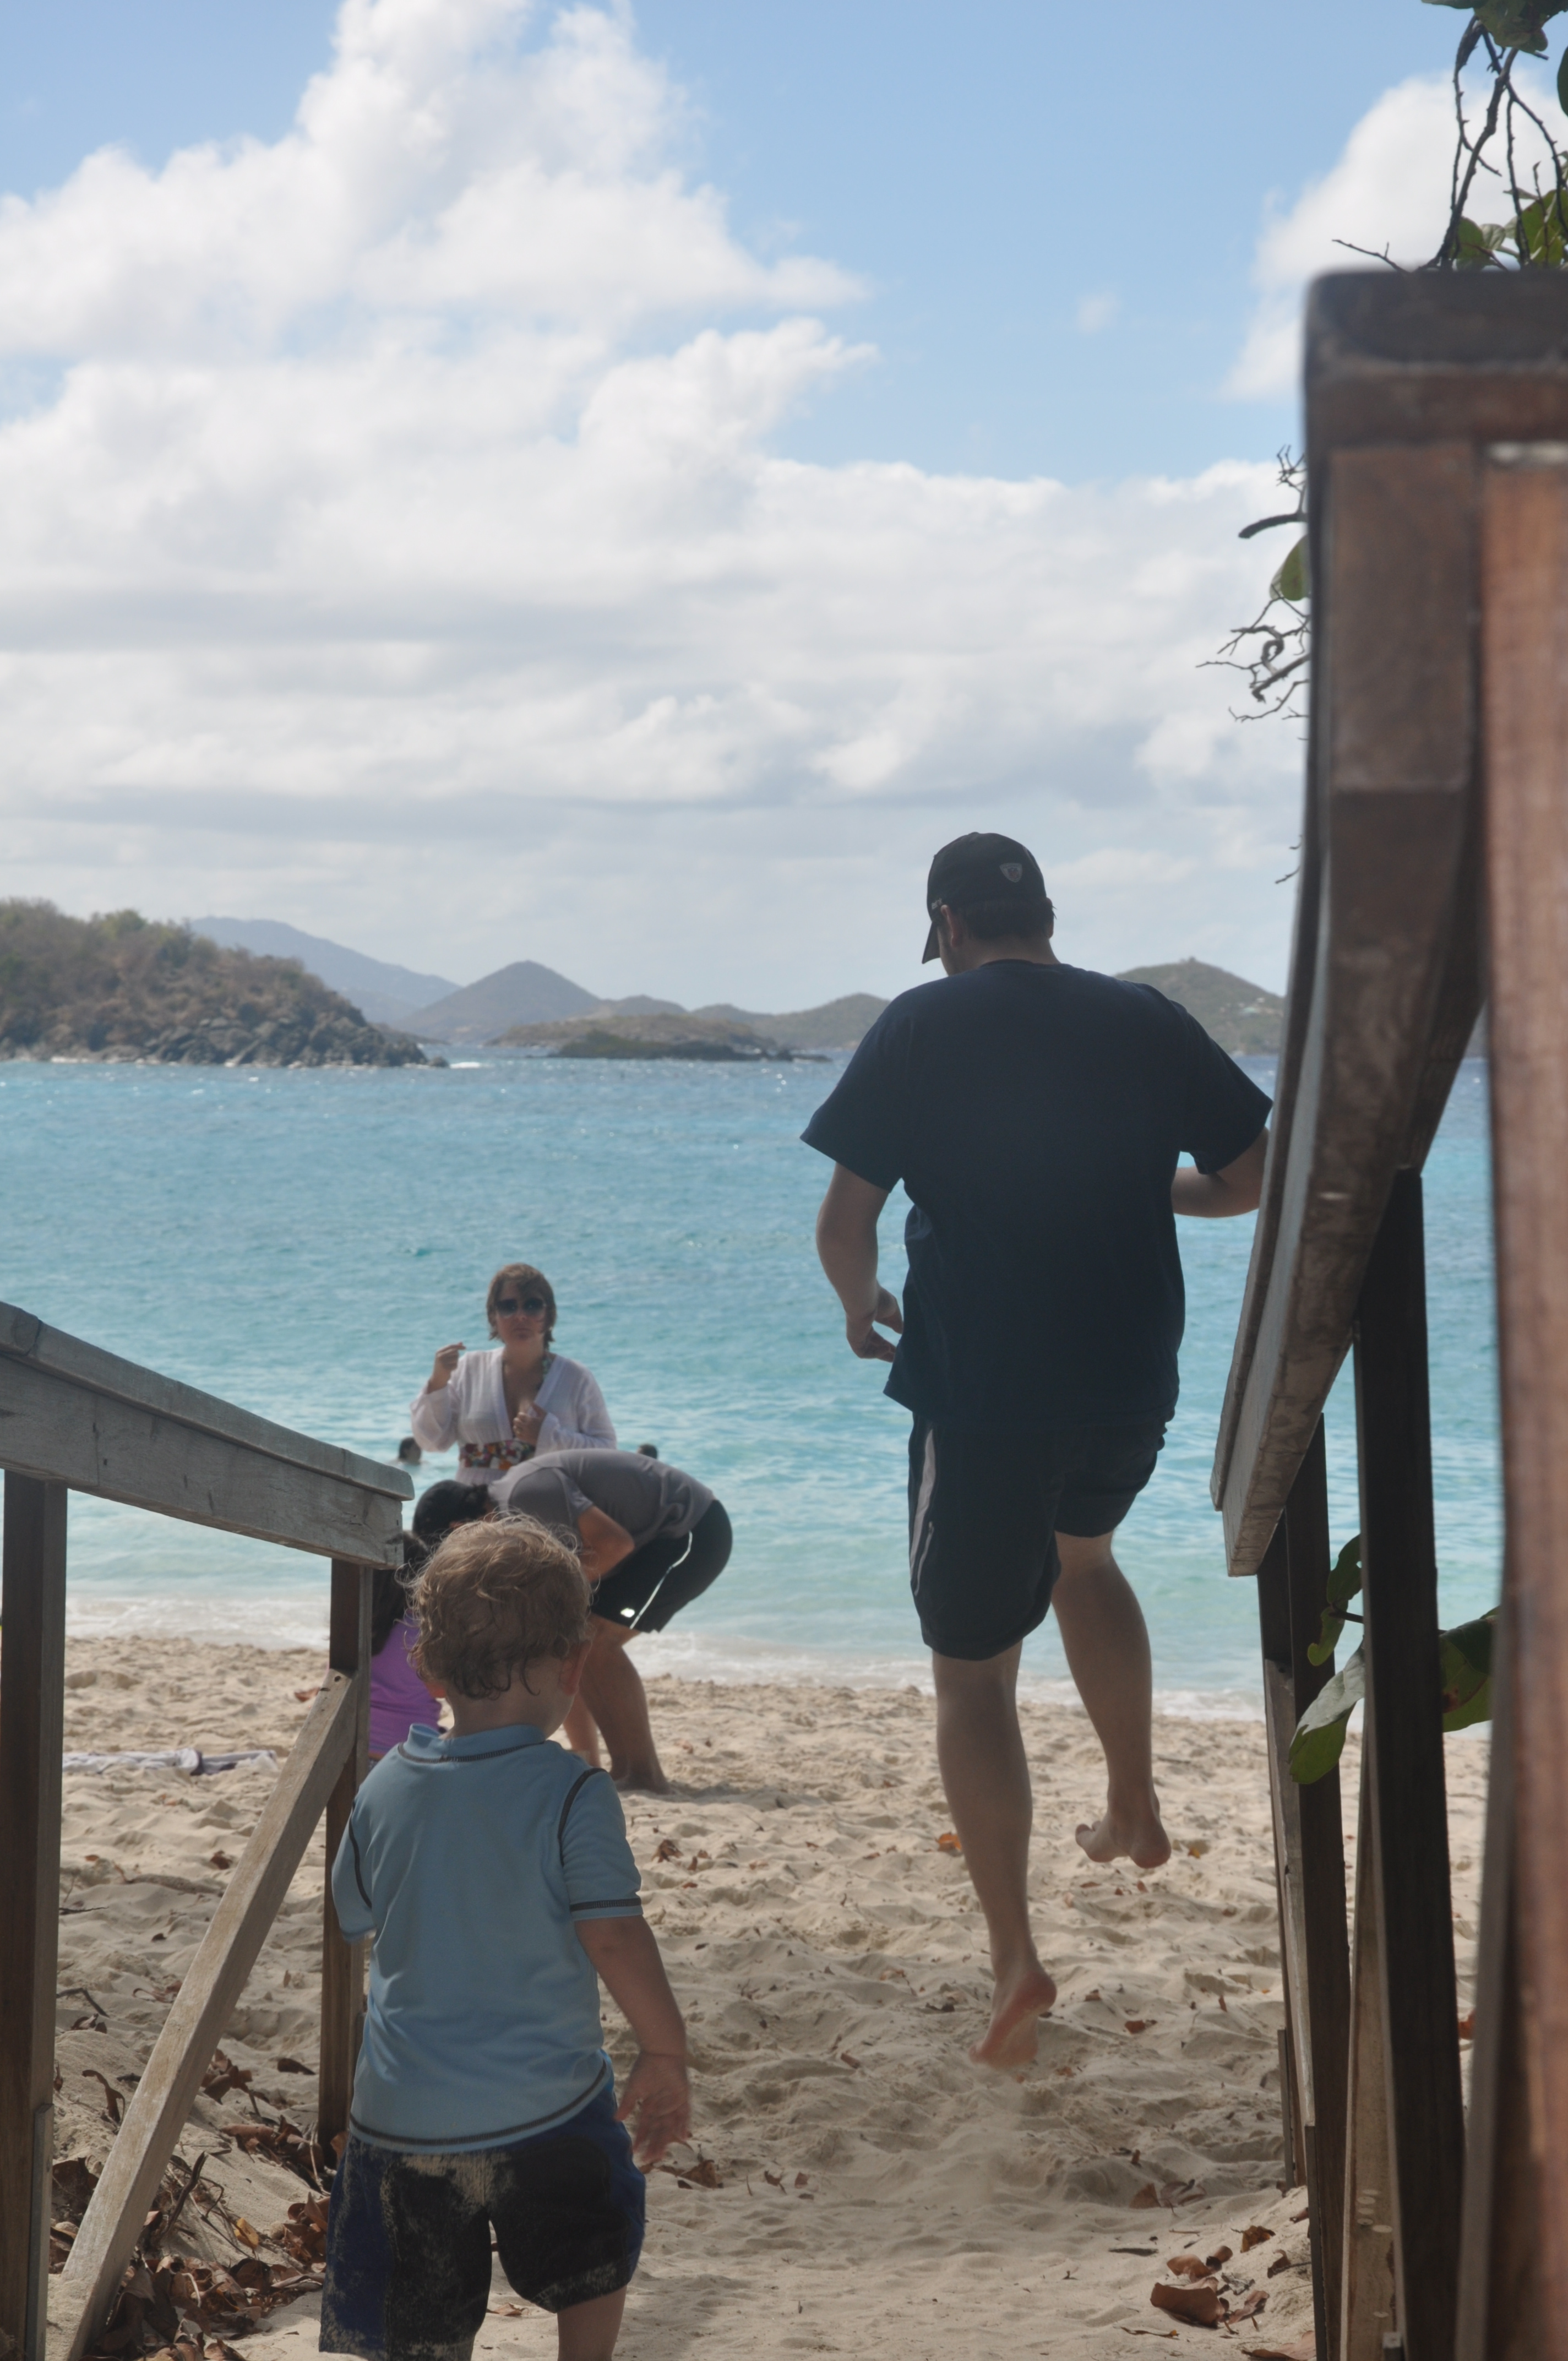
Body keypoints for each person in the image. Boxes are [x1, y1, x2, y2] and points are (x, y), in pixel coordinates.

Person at [803, 831, 1271, 2070]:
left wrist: (857, 1306)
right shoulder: (1146, 1016)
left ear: (947, 925)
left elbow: (844, 1222)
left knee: (971, 1675)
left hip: (983, 1394)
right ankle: (1132, 1799)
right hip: (1127, 1383)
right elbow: (1248, 1178)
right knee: (1086, 1558)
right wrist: (1137, 1187)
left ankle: (1013, 1953)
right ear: (1046, 916)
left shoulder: (920, 1021)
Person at [321, 1515, 689, 2361]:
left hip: (402, 2116)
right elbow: (614, 1936)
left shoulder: (384, 1789)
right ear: (575, 1666)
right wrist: (665, 2050)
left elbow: (352, 1915)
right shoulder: (572, 1792)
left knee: (418, 2313)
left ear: (426, 1665)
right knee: (593, 2243)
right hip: (544, 2110)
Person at [489, 1449, 732, 1795]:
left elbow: (615, 1544)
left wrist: (554, 1595)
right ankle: (625, 1768)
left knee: (599, 1640)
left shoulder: (523, 1493)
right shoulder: (511, 1498)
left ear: (461, 1526)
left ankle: (647, 1775)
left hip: (691, 1530)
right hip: (655, 1539)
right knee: (581, 1642)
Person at [410, 1264, 616, 1489]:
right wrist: (438, 1382)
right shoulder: (470, 1369)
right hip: (477, 1508)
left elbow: (608, 1455)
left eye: (532, 1306)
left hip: (550, 1506)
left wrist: (549, 1437)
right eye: (509, 1307)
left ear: (549, 1315)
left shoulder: (575, 1378)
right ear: (493, 1316)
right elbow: (432, 1442)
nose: (521, 1316)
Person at [367, 1536, 439, 1763]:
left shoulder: (355, 1627)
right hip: (411, 1752)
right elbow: (443, 1690)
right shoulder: (425, 1630)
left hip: (356, 1746)